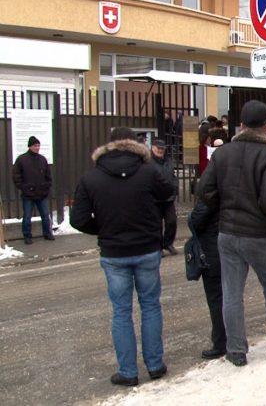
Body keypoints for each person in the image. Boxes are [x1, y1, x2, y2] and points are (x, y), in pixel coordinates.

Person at [70, 126, 175, 387]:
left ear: (109, 146)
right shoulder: (149, 171)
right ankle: (155, 364)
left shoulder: (91, 178)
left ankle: (128, 371)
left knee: (121, 311)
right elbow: (169, 192)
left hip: (114, 252)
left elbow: (79, 219)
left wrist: (103, 229)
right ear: (134, 144)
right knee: (150, 305)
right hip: (147, 249)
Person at [197, 100, 266, 367]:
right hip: (260, 234)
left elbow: (204, 189)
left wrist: (222, 208)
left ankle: (236, 349)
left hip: (228, 233)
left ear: (241, 126)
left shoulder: (223, 154)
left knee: (232, 292)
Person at [189, 199, 226, 360]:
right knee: (231, 295)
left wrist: (190, 217)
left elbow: (196, 220)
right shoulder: (231, 183)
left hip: (213, 250)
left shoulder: (211, 188)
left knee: (217, 298)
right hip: (230, 247)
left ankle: (221, 343)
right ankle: (235, 338)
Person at [12, 136, 54, 244]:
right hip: (28, 194)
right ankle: (27, 236)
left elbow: (48, 176)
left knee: (45, 215)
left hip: (42, 194)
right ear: (30, 146)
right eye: (35, 146)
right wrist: (24, 188)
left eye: (38, 145)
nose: (37, 148)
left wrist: (46, 186)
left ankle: (48, 234)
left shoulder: (42, 159)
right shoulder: (21, 159)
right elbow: (16, 176)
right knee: (27, 217)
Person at [150, 139, 178, 256]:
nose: (160, 150)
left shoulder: (169, 161)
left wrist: (175, 189)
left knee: (171, 221)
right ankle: (158, 247)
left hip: (168, 198)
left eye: (162, 148)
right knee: (156, 224)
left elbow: (173, 176)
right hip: (154, 199)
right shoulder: (147, 162)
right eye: (158, 148)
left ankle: (168, 243)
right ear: (152, 148)